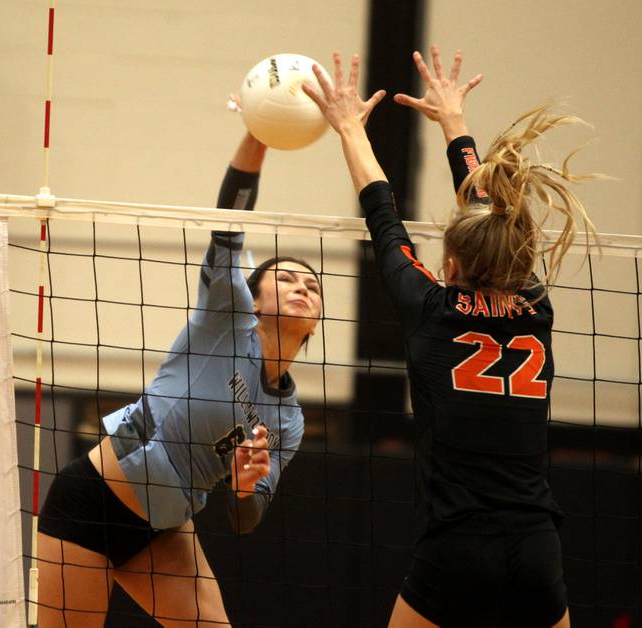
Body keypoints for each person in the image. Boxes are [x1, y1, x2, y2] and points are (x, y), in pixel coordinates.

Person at [304, 47, 597, 627]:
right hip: (538, 548)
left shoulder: (431, 308)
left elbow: (382, 214)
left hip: (458, 548)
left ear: (451, 265)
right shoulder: (535, 308)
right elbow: (490, 225)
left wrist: (350, 129)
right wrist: (455, 124)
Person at [35, 131, 323, 627]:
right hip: (90, 502)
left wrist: (244, 486)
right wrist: (259, 133)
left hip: (163, 529)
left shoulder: (288, 421)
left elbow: (246, 518)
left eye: (313, 287)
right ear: (253, 300)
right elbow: (230, 218)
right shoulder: (226, 319)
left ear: (316, 323)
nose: (303, 288)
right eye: (286, 279)